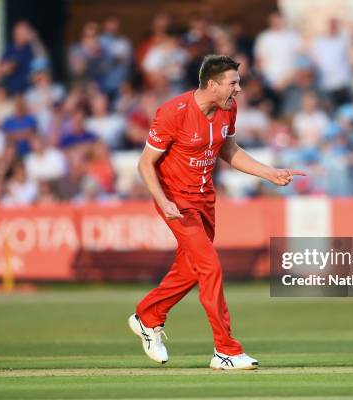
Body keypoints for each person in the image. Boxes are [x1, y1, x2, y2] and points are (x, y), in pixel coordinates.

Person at [129, 55, 305, 370]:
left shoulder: (228, 109)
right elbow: (145, 163)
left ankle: (148, 316)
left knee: (191, 268)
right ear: (212, 85)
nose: (238, 89)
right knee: (210, 267)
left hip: (205, 200)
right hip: (176, 201)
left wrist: (269, 173)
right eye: (233, 83)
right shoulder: (174, 112)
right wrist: (163, 200)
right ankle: (226, 350)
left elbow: (229, 150)